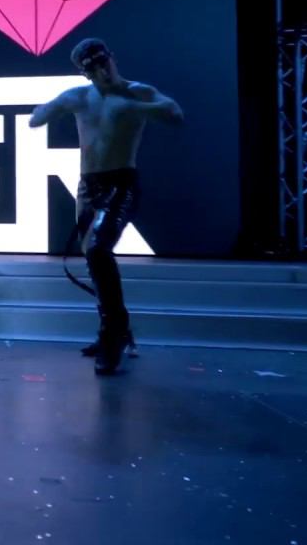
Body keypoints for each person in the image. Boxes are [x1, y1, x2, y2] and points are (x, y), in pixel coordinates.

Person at [28, 38, 183, 375]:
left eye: (104, 62)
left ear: (112, 58)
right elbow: (35, 119)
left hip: (120, 184)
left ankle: (113, 335)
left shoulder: (137, 92)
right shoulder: (80, 96)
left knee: (99, 250)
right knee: (93, 259)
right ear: (86, 73)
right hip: (88, 187)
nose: (102, 70)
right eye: (93, 68)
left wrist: (135, 108)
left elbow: (174, 113)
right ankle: (114, 329)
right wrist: (49, 110)